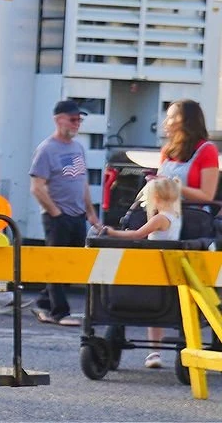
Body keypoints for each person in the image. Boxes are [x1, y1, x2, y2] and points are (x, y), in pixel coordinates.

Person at [98, 173, 187, 368]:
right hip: (168, 268)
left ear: (155, 198)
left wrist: (110, 232)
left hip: (154, 268)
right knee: (162, 311)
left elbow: (138, 234)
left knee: (151, 311)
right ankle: (155, 353)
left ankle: (154, 352)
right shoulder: (176, 216)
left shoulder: (160, 218)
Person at [28, 98, 97, 327]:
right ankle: (60, 311)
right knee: (57, 264)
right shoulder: (47, 149)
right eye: (72, 119)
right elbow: (37, 187)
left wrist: (90, 212)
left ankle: (43, 302)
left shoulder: (77, 148)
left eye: (79, 120)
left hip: (77, 215)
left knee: (72, 265)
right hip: (58, 216)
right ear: (58, 120)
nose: (77, 124)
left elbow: (82, 182)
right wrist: (56, 213)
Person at [156, 100, 219, 240]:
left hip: (193, 222)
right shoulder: (167, 151)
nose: (165, 123)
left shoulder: (207, 150)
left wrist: (172, 186)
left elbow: (207, 196)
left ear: (186, 122)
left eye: (171, 117)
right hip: (163, 219)